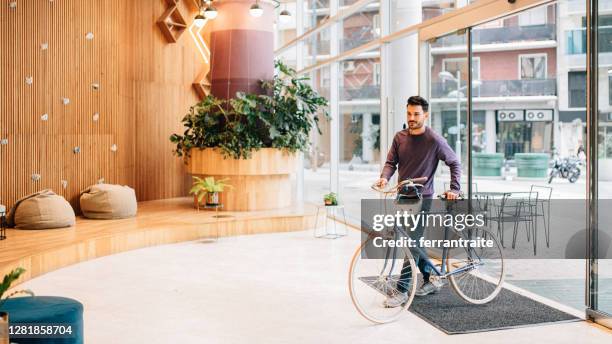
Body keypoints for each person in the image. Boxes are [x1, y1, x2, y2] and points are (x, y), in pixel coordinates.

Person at [374, 96, 461, 307]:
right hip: (403, 196)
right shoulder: (400, 137)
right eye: (409, 114)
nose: (412, 118)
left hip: (424, 198)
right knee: (414, 241)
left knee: (410, 243)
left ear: (425, 115)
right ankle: (432, 278)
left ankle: (402, 290)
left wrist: (454, 189)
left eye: (416, 114)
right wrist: (385, 177)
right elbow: (390, 163)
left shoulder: (434, 140)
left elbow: (454, 162)